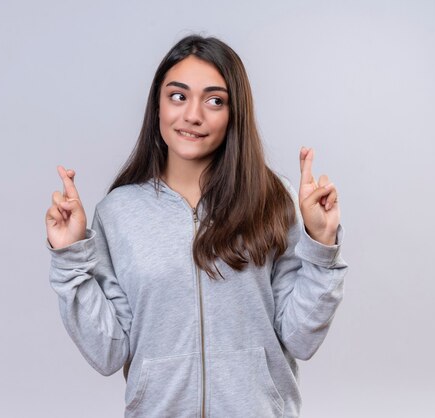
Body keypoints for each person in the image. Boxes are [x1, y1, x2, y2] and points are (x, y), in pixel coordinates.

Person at [45, 35, 348, 418]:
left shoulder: (272, 199)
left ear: (234, 113)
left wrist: (321, 244)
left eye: (214, 100)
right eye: (178, 96)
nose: (193, 115)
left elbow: (301, 338)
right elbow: (108, 351)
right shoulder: (118, 213)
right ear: (158, 106)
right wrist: (69, 256)